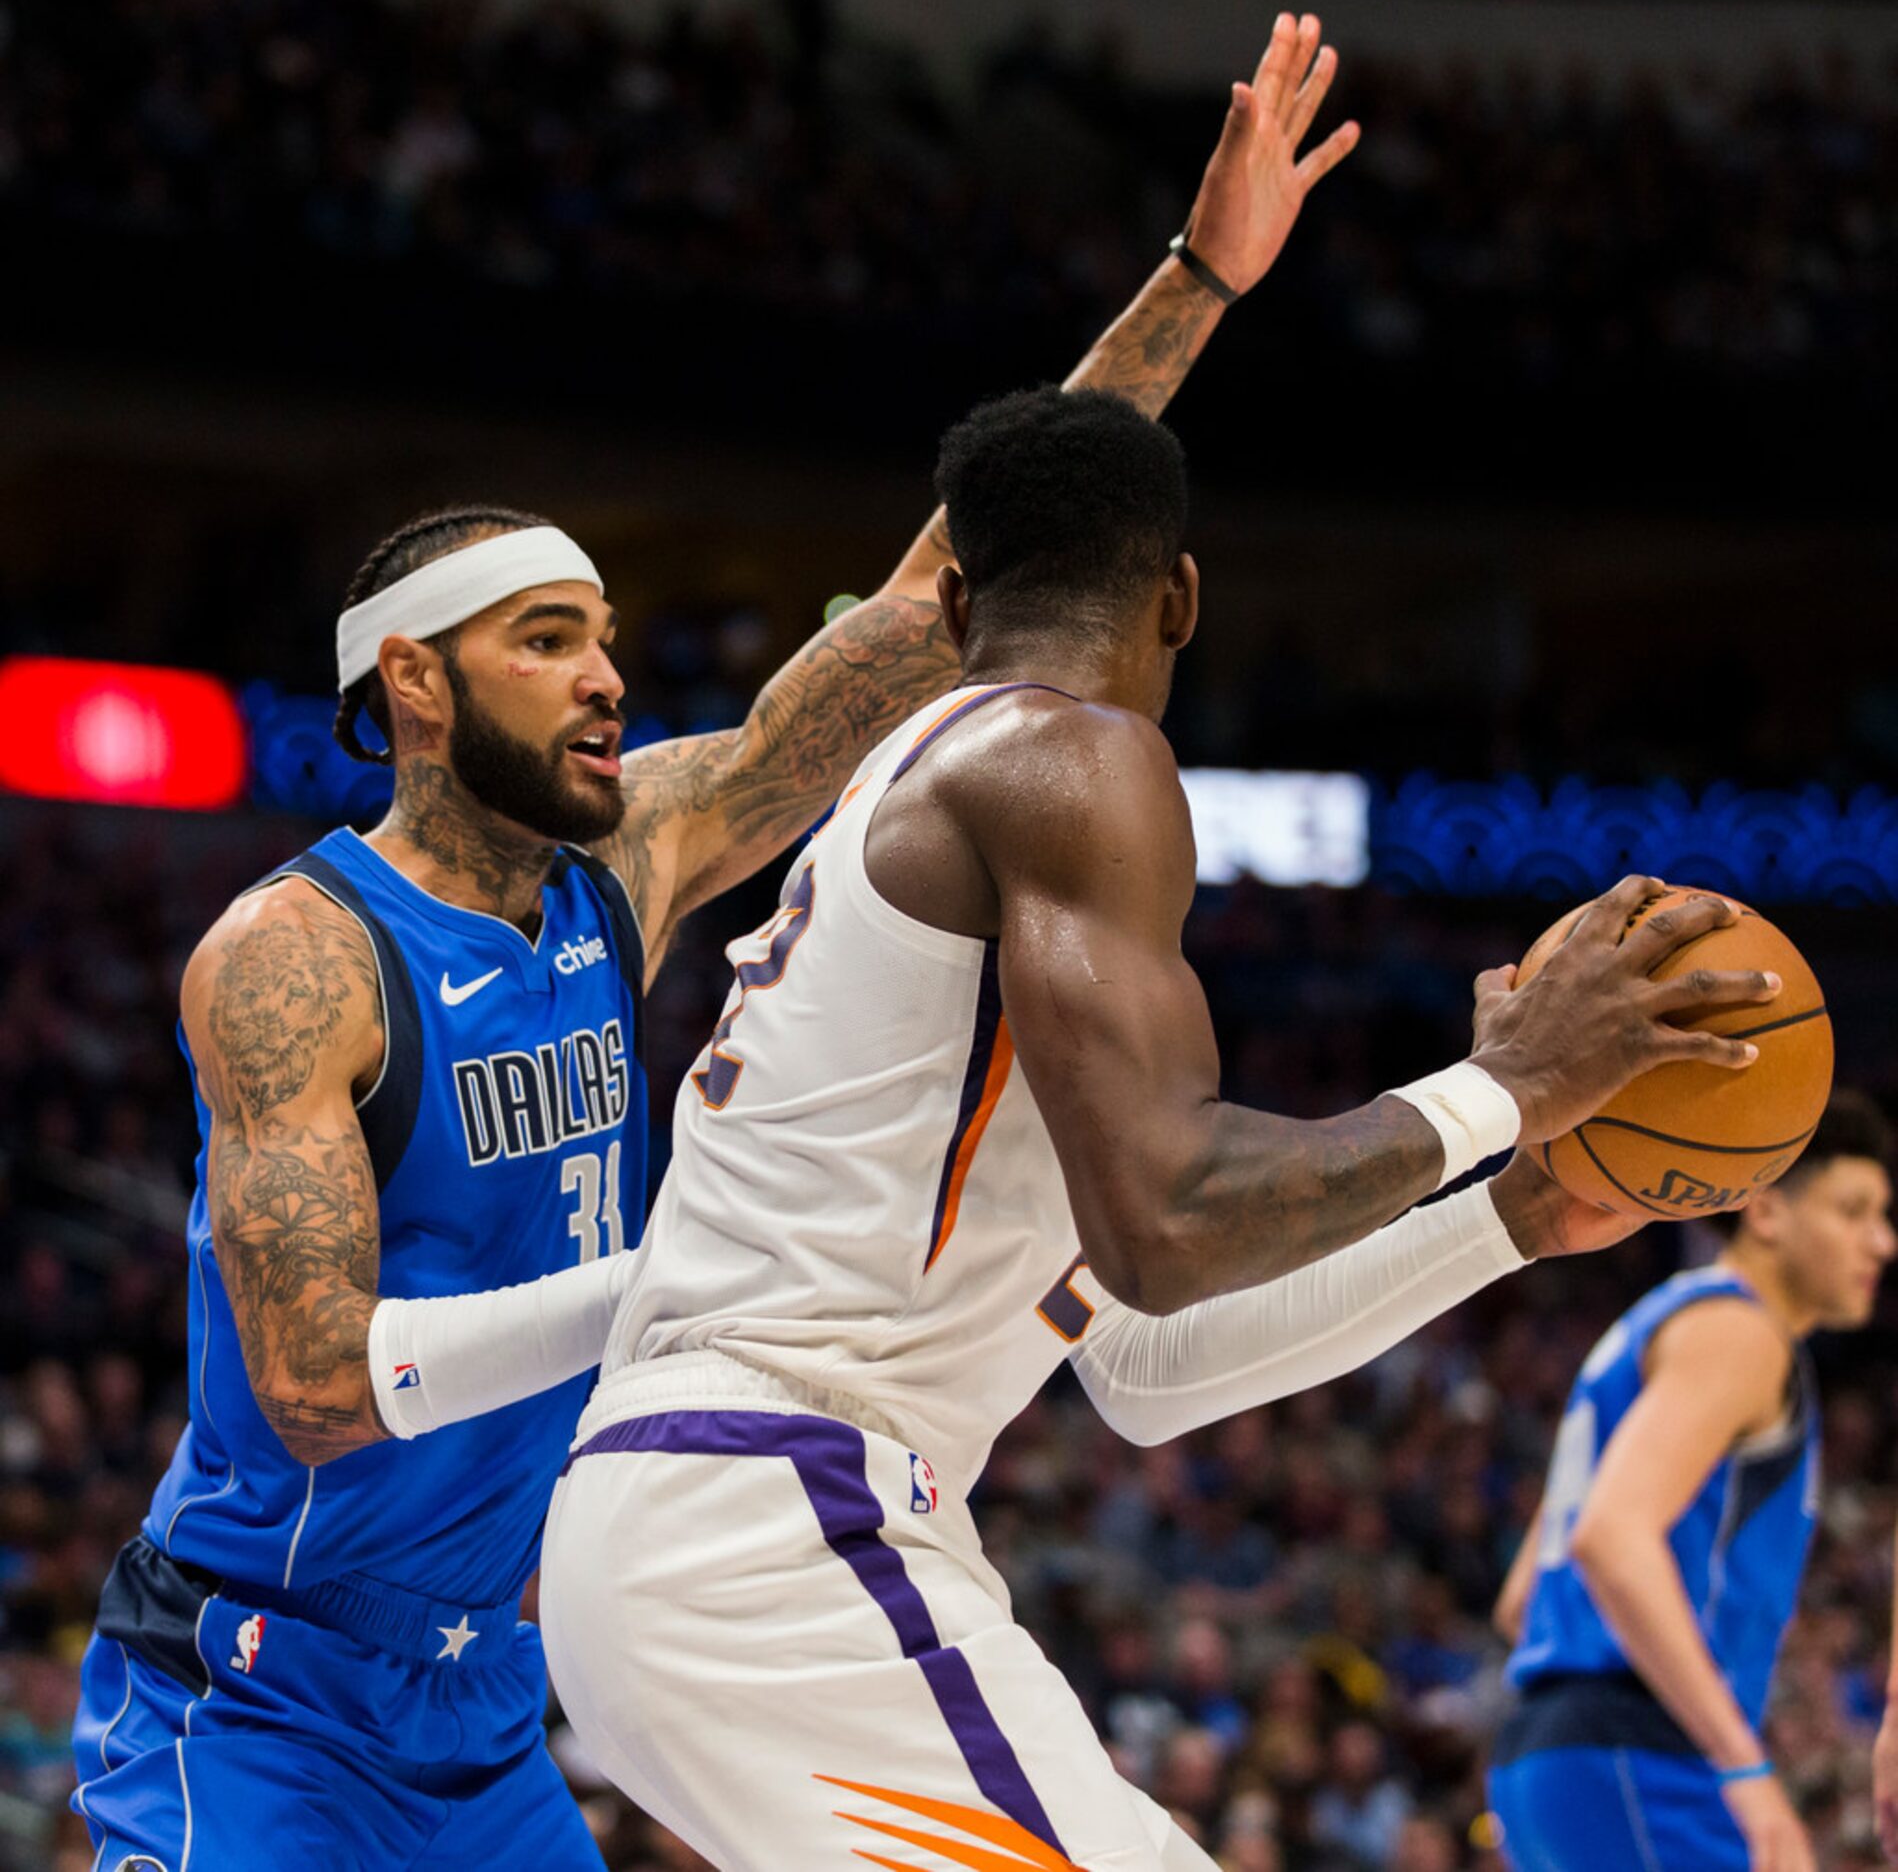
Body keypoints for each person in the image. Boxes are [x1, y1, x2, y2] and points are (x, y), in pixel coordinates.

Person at [66, 19, 1368, 1868]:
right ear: (417, 683)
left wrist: (1196, 283)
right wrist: (670, 1283)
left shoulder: (643, 848)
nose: (606, 672)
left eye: (604, 628)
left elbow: (948, 592)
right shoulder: (294, 952)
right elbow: (316, 1383)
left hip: (493, 1695)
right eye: (544, 637)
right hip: (262, 1684)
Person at [535, 375, 1778, 1867]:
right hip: (773, 1513)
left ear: (947, 604)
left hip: (704, 1522)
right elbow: (1175, 1220)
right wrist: (1503, 1086)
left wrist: (1509, 1215)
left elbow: (1142, 1359)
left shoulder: (939, 835)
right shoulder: (1068, 754)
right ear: (1179, 597)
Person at [1488, 1091, 1895, 1872]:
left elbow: (1521, 1603)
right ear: (1767, 1211)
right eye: (1854, 1211)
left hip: (1550, 1754)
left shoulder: (1661, 1322)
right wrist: (1741, 1763)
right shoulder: (1738, 1335)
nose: (1881, 1241)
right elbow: (1608, 1537)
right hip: (1645, 1756)